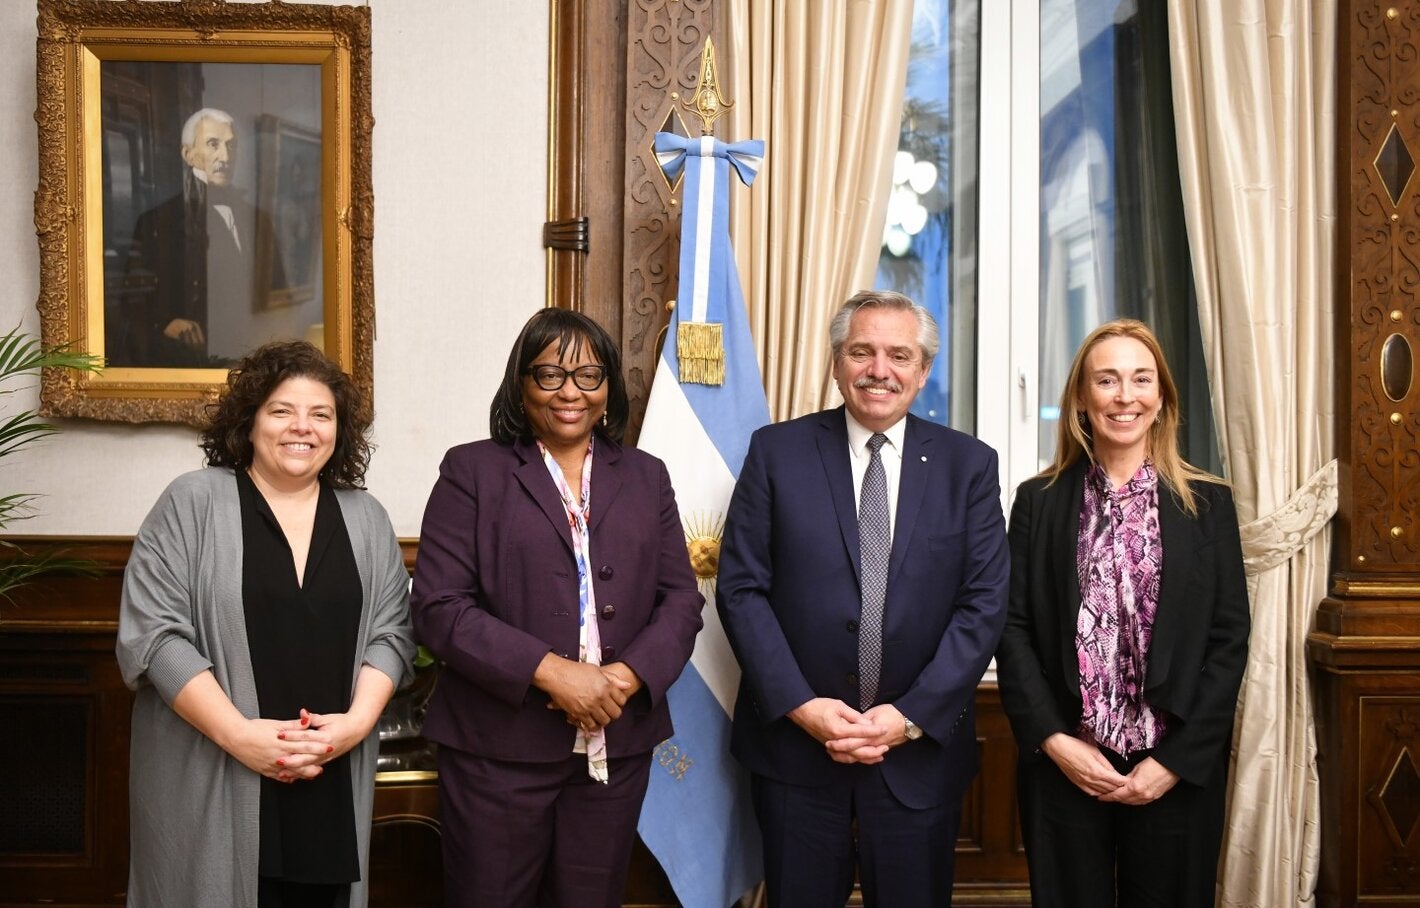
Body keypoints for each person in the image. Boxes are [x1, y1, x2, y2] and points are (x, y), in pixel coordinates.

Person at [717, 289, 1010, 907]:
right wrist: (800, 706)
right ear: (835, 362)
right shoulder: (776, 452)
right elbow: (742, 590)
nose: (880, 370)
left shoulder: (970, 466)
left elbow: (983, 605)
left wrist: (907, 719)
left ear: (923, 371)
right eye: (862, 351)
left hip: (918, 758)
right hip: (796, 756)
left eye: (899, 355)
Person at [410, 308, 704, 908]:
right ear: (521, 382)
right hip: (498, 750)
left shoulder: (647, 477)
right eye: (549, 375)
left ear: (609, 388)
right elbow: (440, 607)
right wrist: (553, 672)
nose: (571, 392)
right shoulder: (472, 470)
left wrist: (623, 679)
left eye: (589, 376)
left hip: (615, 749)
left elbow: (680, 598)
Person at [116, 340, 415, 907]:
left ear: (339, 430)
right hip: (214, 770)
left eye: (320, 414)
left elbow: (392, 634)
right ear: (249, 421)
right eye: (281, 410)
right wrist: (241, 738)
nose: (301, 427)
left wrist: (352, 727)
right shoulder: (191, 503)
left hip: (328, 780)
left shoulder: (366, 517)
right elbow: (155, 636)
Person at [995, 319, 1250, 907]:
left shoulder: (1209, 504)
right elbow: (1012, 630)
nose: (1124, 396)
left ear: (1161, 398)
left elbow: (1229, 638)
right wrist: (1057, 742)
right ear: (1083, 399)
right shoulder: (1038, 501)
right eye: (1106, 380)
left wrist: (1176, 762)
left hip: (1174, 771)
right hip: (1065, 766)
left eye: (1140, 380)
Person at [113, 107, 284, 367]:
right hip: (185, 361)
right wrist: (164, 324)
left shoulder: (257, 218)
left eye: (231, 145)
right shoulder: (157, 221)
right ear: (188, 154)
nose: (225, 156)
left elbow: (276, 291)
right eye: (213, 144)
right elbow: (130, 304)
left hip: (248, 355)